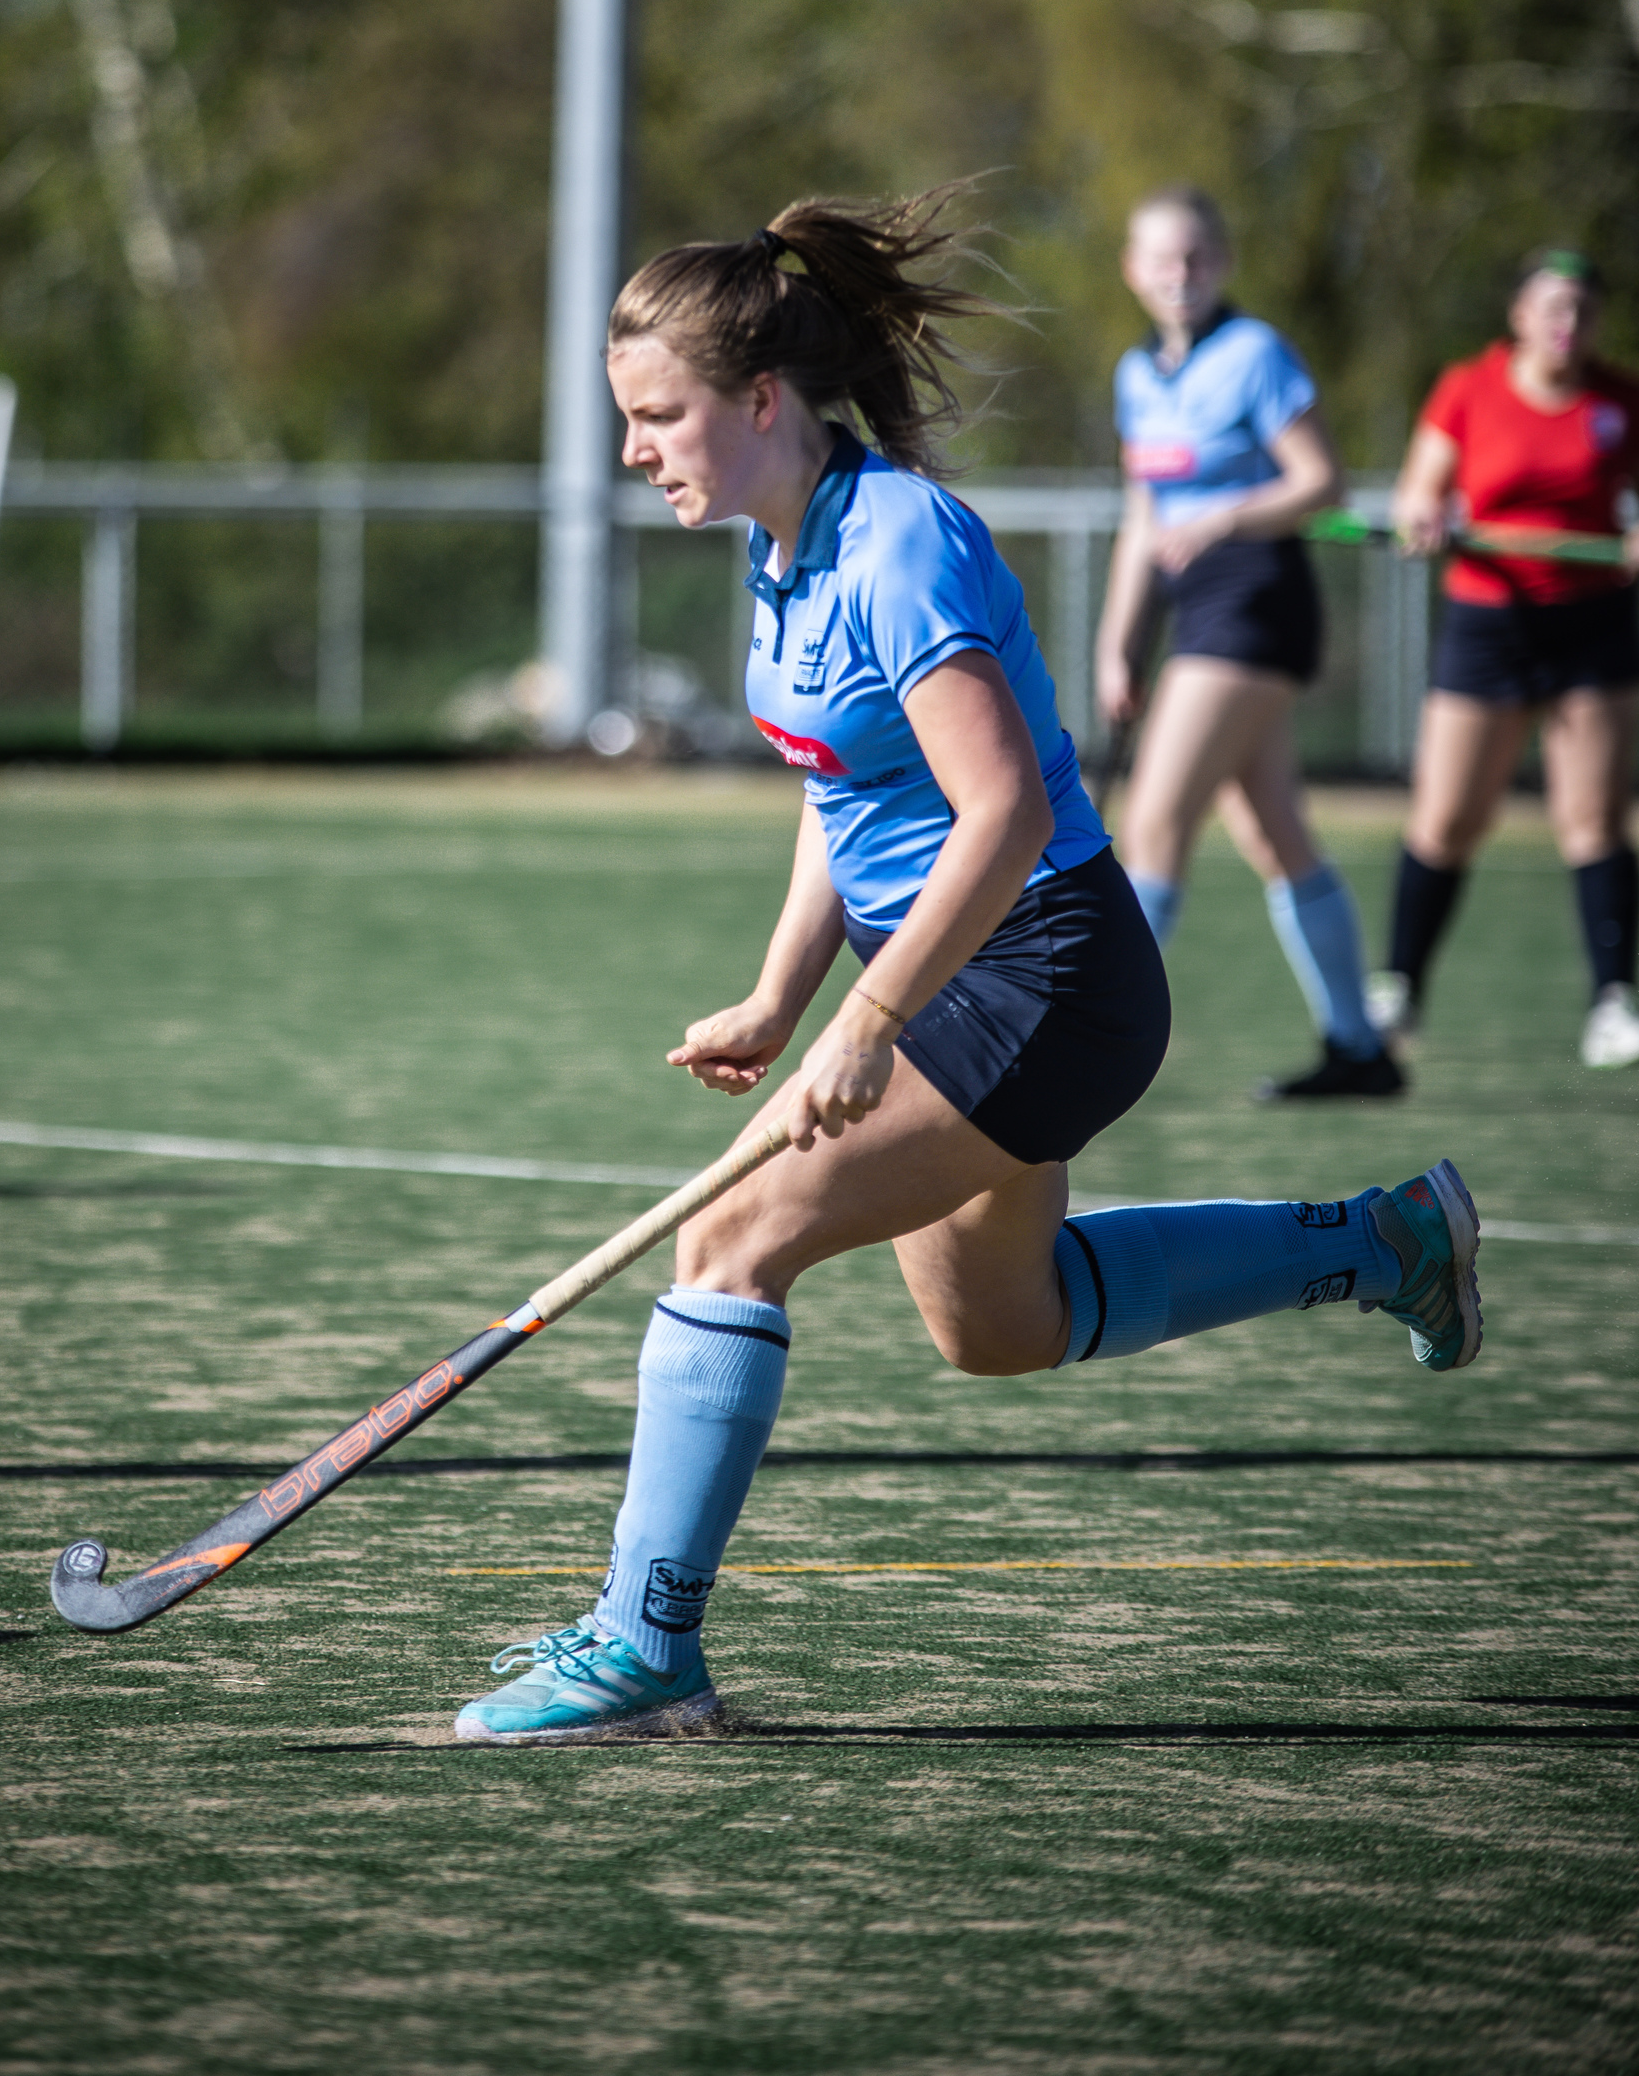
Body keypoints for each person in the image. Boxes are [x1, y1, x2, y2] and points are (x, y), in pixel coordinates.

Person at [453, 192, 1482, 1744]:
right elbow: (838, 786)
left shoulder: (899, 543)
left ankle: (645, 1647)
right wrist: (785, 996)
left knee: (729, 1243)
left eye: (657, 417)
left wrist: (873, 1018)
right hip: (953, 972)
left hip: (1042, 971)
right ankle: (1384, 1240)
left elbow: (999, 811)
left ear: (759, 401)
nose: (634, 450)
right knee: (999, 1327)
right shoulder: (786, 545)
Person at [1095, 186, 1399, 1103]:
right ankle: (1360, 1049)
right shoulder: (1136, 375)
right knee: (1274, 835)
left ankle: (1091, 1039)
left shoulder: (1255, 354)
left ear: (1221, 262)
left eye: (1195, 257)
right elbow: (1143, 516)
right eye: (1160, 259)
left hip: (1258, 600)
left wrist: (1228, 514)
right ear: (1133, 270)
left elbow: (1322, 482)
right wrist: (1119, 642)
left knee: (1154, 821)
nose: (1179, 275)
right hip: (1196, 612)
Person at [1371, 249, 1639, 1070]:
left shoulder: (1619, 399)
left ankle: (1611, 1001)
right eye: (1553, 307)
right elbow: (1418, 493)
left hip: (1592, 624)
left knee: (1591, 819)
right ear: (1520, 315)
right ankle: (1400, 990)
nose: (1569, 325)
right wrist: (1423, 517)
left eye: (1584, 310)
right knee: (1447, 819)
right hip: (1489, 622)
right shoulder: (1469, 388)